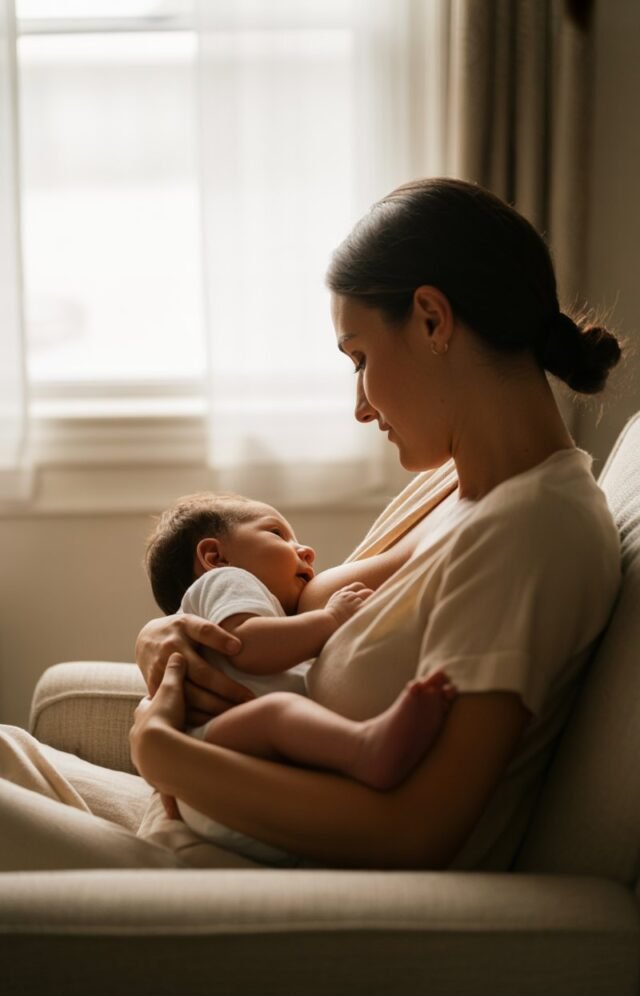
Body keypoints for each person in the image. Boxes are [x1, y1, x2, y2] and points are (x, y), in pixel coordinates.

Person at [0, 177, 623, 872]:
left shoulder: (531, 535)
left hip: (254, 872)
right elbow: (295, 605)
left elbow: (416, 830)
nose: (359, 407)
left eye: (359, 359)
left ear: (431, 320)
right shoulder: (455, 486)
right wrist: (168, 633)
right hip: (207, 815)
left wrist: (161, 754)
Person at [143, 491, 456, 863]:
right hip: (212, 753)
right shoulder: (228, 580)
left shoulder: (272, 613)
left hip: (232, 787)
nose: (306, 551)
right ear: (214, 556)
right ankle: (364, 748)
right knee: (277, 712)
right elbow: (243, 647)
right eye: (278, 534)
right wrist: (331, 619)